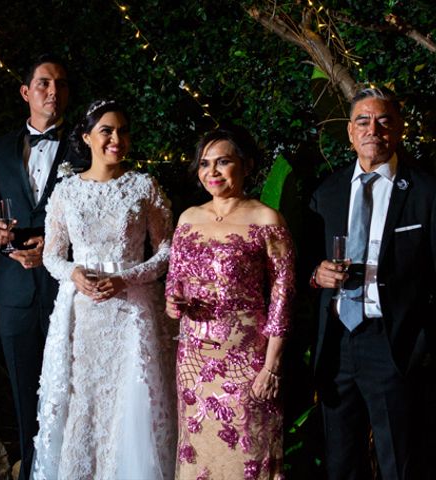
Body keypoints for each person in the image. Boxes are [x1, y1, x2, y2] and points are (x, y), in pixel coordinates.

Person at [30, 99, 176, 479]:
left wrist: (126, 278)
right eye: (107, 131)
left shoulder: (144, 186)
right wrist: (74, 274)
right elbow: (51, 255)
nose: (117, 139)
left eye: (123, 131)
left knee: (131, 404)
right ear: (87, 137)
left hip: (132, 313)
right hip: (82, 316)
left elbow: (167, 250)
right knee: (84, 403)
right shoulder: (65, 192)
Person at [308, 86, 436, 479]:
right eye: (363, 121)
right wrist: (316, 275)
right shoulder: (326, 192)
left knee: (400, 461)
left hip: (394, 343)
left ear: (398, 129)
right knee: (341, 462)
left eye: (384, 121)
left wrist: (422, 344)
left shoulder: (426, 190)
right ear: (350, 132)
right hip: (338, 345)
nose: (373, 129)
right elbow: (303, 265)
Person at [0, 53, 84, 480]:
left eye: (60, 84)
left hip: (66, 289)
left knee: (70, 391)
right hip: (14, 292)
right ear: (26, 92)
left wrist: (57, 247)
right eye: (43, 83)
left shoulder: (83, 144)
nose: (52, 91)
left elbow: (95, 216)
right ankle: (29, 473)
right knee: (23, 394)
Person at [165, 125, 295, 480]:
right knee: (199, 454)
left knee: (248, 452)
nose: (213, 172)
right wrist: (173, 304)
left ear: (247, 165)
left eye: (223, 162)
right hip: (194, 359)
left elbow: (283, 300)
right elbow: (173, 286)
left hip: (246, 360)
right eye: (205, 164)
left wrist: (271, 367)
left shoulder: (267, 220)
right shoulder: (188, 219)